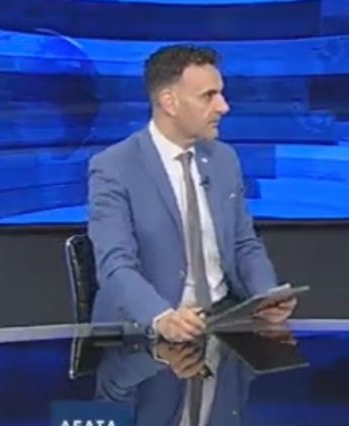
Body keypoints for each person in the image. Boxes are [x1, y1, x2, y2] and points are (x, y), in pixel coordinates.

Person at [88, 44, 296, 342]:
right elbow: (115, 265)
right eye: (208, 96)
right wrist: (161, 318)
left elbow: (244, 243)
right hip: (147, 332)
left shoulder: (224, 159)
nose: (223, 107)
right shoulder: (114, 167)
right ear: (169, 102)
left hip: (224, 320)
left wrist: (266, 295)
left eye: (221, 94)